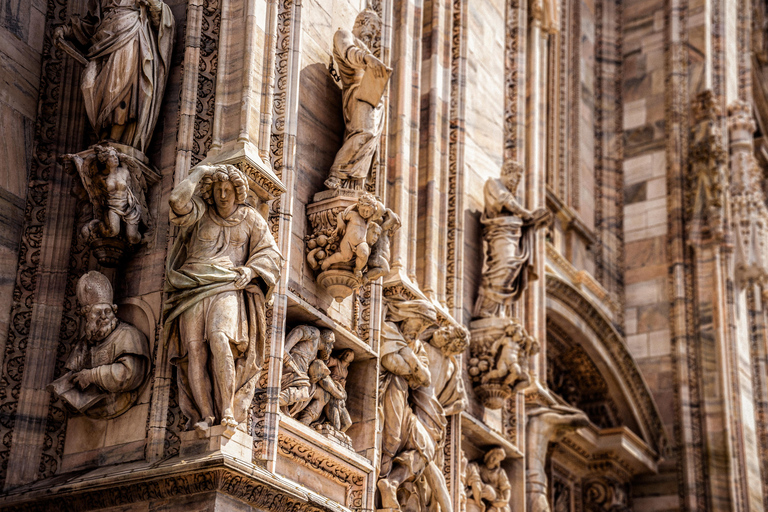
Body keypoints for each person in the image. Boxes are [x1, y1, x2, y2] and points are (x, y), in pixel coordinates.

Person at [163, 164, 282, 434]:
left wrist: (251, 270)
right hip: (192, 285)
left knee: (220, 339)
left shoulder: (251, 219)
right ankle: (206, 415)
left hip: (228, 284)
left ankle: (227, 409)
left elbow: (272, 256)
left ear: (238, 192)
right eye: (218, 189)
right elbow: (176, 201)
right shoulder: (200, 213)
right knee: (194, 351)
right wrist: (198, 172)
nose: (223, 195)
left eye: (228, 189)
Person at [54, 0, 175, 153]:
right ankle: (103, 134)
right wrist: (67, 31)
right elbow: (92, 24)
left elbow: (161, 21)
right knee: (88, 84)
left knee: (119, 89)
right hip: (102, 40)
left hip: (130, 35)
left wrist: (154, 5)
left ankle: (114, 138)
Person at [377, 298, 453, 512]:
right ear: (407, 315)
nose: (419, 331)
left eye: (423, 328)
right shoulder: (388, 328)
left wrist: (408, 356)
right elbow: (392, 363)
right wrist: (413, 366)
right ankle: (383, 481)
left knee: (426, 446)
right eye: (418, 324)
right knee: (391, 440)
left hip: (402, 399)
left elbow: (426, 378)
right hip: (389, 392)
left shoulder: (416, 345)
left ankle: (390, 483)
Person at [49, 271, 150, 419]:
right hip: (93, 409)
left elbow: (128, 374)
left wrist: (91, 376)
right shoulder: (83, 344)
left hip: (119, 403)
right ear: (87, 316)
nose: (104, 317)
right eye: (97, 312)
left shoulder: (128, 335)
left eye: (107, 311)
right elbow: (72, 373)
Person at [325, 9, 391, 190]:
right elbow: (348, 52)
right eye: (373, 28)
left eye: (376, 33)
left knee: (369, 145)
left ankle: (353, 186)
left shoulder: (366, 48)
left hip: (372, 100)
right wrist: (368, 58)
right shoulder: (344, 34)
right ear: (362, 21)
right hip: (357, 95)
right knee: (364, 133)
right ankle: (336, 173)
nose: (373, 35)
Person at [473, 161, 549, 318]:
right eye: (514, 177)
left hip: (511, 233)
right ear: (506, 173)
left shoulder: (509, 194)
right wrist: (527, 213)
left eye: (518, 179)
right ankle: (485, 308)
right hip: (500, 232)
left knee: (513, 269)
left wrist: (534, 221)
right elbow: (506, 201)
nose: (515, 182)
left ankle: (496, 309)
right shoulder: (493, 184)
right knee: (506, 266)